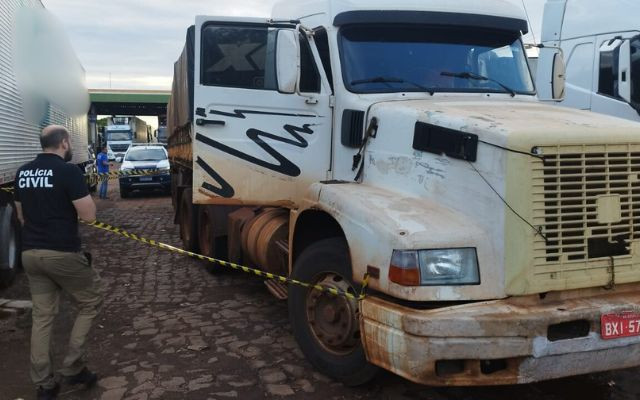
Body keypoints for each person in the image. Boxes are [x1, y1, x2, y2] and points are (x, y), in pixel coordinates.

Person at [14, 125, 103, 400]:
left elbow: (21, 217)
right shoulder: (68, 171)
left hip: (30, 254)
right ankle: (73, 366)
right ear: (64, 142)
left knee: (42, 316)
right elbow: (88, 216)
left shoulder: (23, 172)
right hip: (62, 252)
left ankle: (44, 383)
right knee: (90, 302)